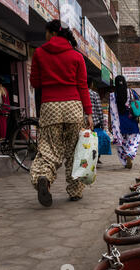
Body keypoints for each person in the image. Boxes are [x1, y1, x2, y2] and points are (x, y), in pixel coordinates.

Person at [29, 19, 93, 207]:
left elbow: (35, 82)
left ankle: (44, 177)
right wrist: (88, 114)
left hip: (50, 107)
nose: (45, 36)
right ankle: (75, 191)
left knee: (49, 149)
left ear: (52, 33)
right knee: (74, 151)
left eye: (46, 32)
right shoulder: (76, 56)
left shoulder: (39, 53)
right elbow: (82, 86)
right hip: (73, 106)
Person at [109, 75, 140, 169]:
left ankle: (125, 160)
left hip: (118, 123)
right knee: (134, 139)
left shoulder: (113, 95)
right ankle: (130, 154)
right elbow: (138, 103)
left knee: (120, 143)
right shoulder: (131, 92)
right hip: (131, 120)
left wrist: (110, 124)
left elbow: (110, 110)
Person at [88, 77, 110, 164]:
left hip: (82, 121)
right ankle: (95, 157)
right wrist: (102, 123)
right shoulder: (94, 94)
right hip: (94, 121)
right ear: (91, 84)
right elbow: (99, 109)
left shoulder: (78, 93)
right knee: (95, 140)